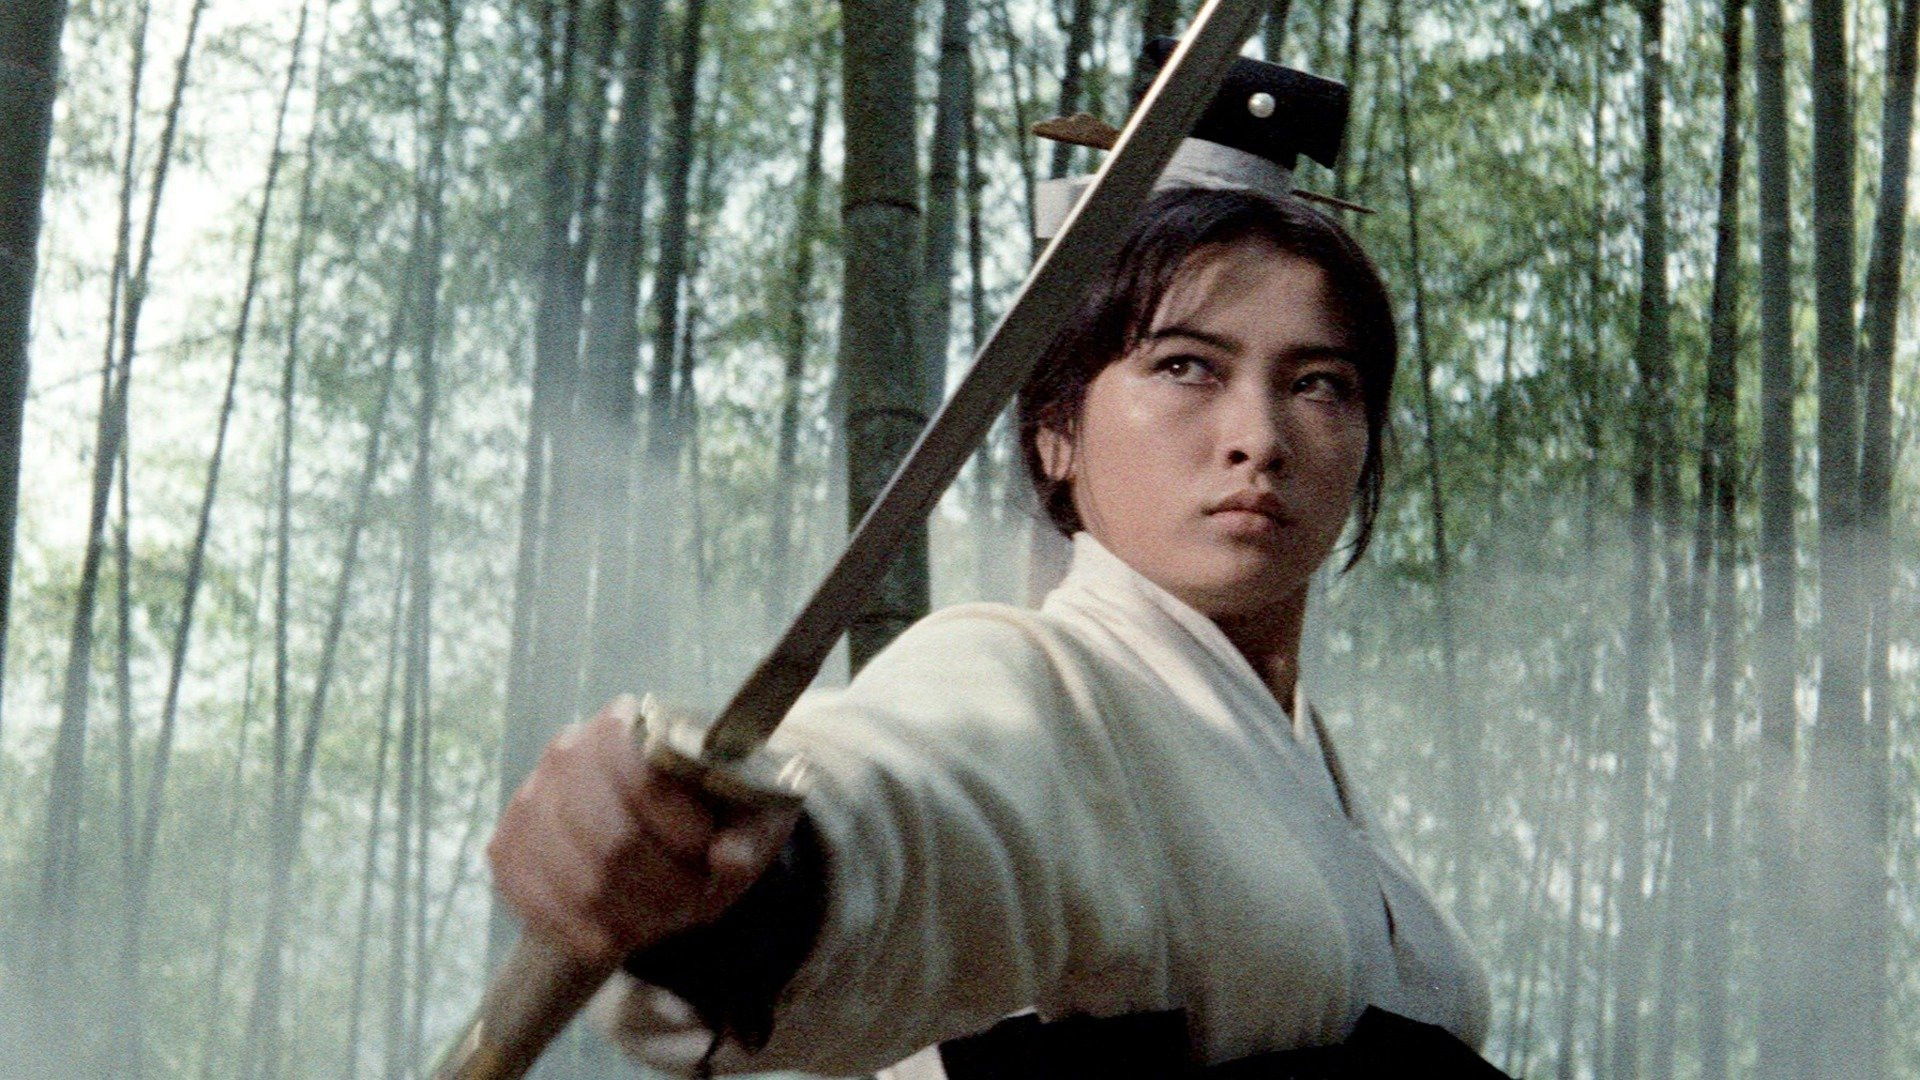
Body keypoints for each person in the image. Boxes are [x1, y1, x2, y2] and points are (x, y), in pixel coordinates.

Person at [488, 54, 1499, 1080]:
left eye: (1319, 384)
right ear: (1056, 429)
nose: (1259, 439)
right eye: (1186, 366)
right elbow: (914, 801)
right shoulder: (1036, 687)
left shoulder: (1314, 778)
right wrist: (745, 867)